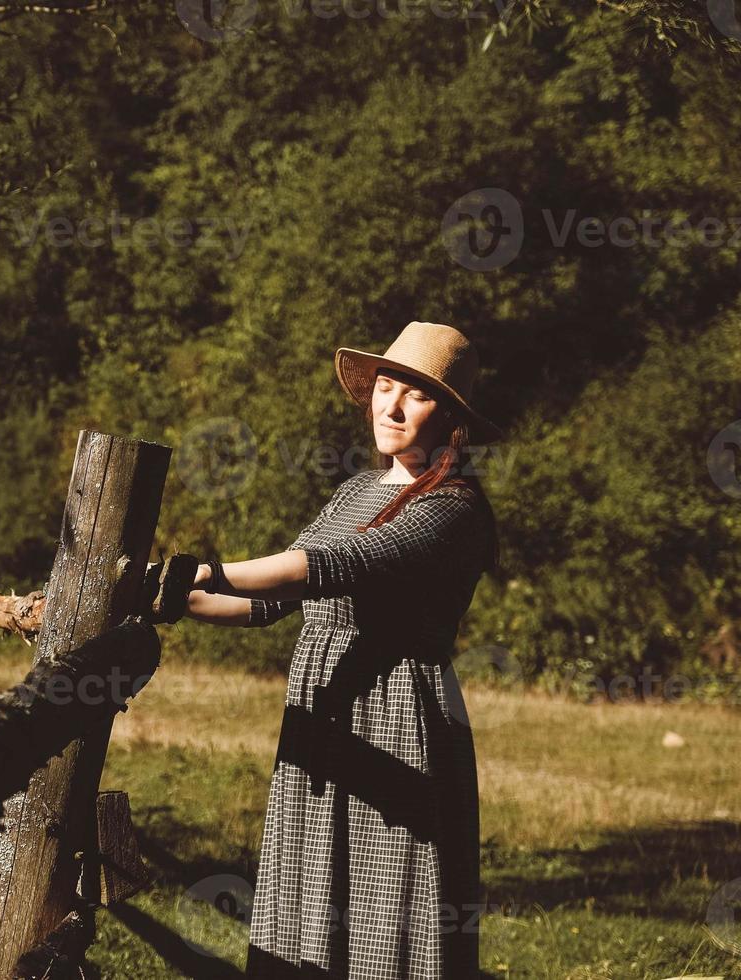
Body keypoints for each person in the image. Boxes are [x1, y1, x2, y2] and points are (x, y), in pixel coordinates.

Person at [174, 321, 503, 978]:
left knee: (391, 906)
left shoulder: (454, 508)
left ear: (451, 416)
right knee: (309, 893)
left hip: (400, 719)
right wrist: (168, 600)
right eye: (385, 386)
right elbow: (266, 603)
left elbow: (336, 562)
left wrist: (210, 568)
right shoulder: (354, 492)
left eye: (416, 394)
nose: (392, 406)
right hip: (325, 717)